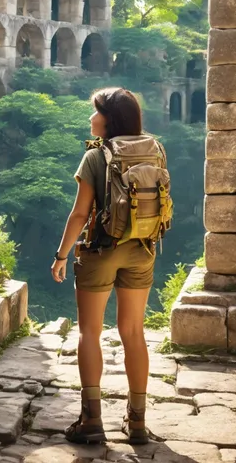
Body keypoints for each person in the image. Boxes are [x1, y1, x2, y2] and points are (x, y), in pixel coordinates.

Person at [51, 87, 163, 445]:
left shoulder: (96, 157)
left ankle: (91, 420)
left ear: (109, 119)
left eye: (95, 112)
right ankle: (138, 421)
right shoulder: (154, 148)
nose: (90, 118)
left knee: (90, 333)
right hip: (142, 248)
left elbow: (80, 213)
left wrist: (62, 255)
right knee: (133, 333)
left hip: (100, 250)